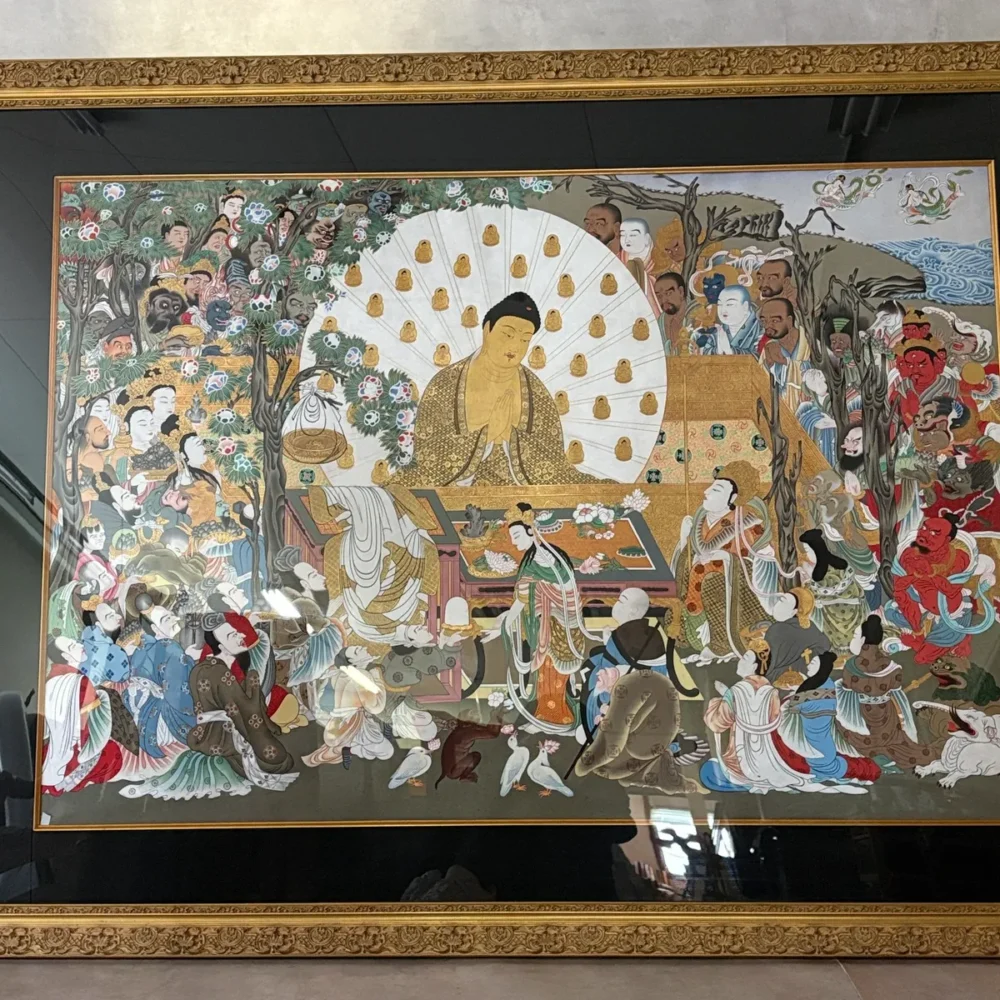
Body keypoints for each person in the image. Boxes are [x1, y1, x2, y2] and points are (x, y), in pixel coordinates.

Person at [392, 292, 596, 486]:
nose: (515, 346)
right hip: (455, 496)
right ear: (487, 330)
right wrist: (487, 436)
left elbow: (553, 465)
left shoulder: (536, 392)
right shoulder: (445, 384)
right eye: (508, 334)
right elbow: (426, 459)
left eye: (525, 339)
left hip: (521, 499)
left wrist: (512, 439)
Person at [500, 502, 597, 731]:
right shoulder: (531, 559)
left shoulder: (547, 558)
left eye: (516, 535)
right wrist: (506, 621)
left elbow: (564, 589)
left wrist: (510, 617)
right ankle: (546, 715)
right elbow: (524, 596)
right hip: (545, 625)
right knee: (545, 676)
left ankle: (556, 718)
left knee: (553, 674)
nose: (513, 542)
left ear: (531, 531)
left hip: (559, 626)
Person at [699, 638, 828, 794]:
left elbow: (717, 722)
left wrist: (721, 698)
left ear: (754, 666)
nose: (740, 661)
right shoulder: (771, 691)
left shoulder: (737, 690)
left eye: (745, 658)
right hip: (768, 757)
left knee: (708, 772)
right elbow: (774, 718)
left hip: (742, 759)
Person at [672, 461, 771, 662]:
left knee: (712, 582)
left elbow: (753, 562)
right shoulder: (698, 523)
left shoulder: (746, 523)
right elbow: (686, 559)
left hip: (728, 587)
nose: (706, 492)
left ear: (732, 498)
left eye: (716, 489)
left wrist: (726, 558)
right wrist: (684, 538)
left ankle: (722, 643)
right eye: (710, 487)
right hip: (694, 593)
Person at [836, 615, 938, 771]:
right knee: (896, 739)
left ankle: (879, 758)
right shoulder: (892, 665)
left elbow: (847, 687)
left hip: (863, 711)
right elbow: (895, 686)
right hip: (887, 712)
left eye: (856, 636)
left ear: (862, 639)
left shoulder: (851, 665)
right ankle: (891, 756)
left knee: (846, 729)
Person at [776, 651, 880, 789]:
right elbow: (804, 699)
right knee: (812, 757)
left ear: (821, 667)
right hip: (809, 727)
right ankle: (823, 775)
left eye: (813, 663)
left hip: (818, 728)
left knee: (824, 758)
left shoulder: (827, 684)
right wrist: (798, 691)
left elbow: (807, 704)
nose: (808, 665)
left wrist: (796, 695)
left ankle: (853, 773)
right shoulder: (813, 682)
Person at [301, 646, 393, 767]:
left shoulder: (338, 674)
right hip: (353, 723)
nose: (364, 648)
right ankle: (351, 749)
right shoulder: (361, 675)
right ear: (353, 662)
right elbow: (375, 707)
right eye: (357, 651)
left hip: (337, 721)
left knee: (376, 744)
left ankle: (349, 748)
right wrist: (377, 677)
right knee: (387, 752)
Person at [759, 297, 809, 405]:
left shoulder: (810, 345)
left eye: (774, 321)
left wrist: (786, 362)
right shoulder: (769, 347)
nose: (767, 326)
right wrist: (768, 365)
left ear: (790, 321)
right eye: (764, 321)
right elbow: (760, 384)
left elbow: (822, 375)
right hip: (779, 409)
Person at [619, 217, 662, 318]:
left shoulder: (661, 261)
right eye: (623, 235)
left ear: (646, 238)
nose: (626, 240)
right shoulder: (615, 261)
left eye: (633, 235)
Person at [654, 271, 689, 355]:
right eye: (659, 296)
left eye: (668, 293)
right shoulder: (661, 322)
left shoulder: (697, 314)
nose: (663, 300)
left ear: (681, 292)